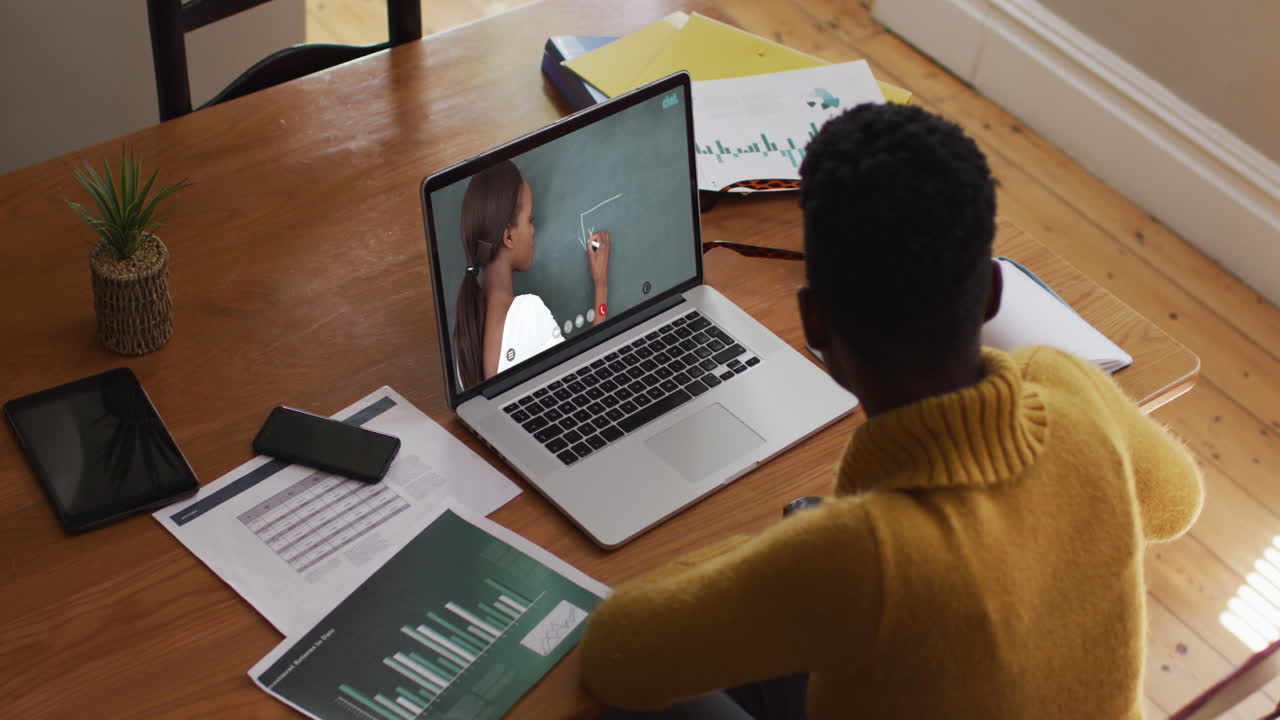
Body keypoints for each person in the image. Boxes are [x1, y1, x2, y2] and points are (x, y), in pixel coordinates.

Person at [577, 104, 1203, 718]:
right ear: (991, 292)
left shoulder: (856, 557)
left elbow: (614, 654)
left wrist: (785, 551)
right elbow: (1177, 504)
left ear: (814, 322)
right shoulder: (1068, 383)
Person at [454, 160, 611, 388]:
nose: (533, 230)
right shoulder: (527, 313)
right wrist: (601, 285)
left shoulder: (466, 337)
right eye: (530, 220)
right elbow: (591, 386)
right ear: (508, 236)